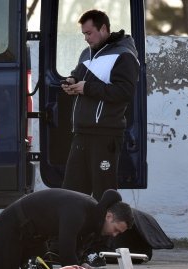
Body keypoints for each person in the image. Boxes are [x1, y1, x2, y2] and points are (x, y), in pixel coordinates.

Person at [0, 188, 134, 269]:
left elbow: (77, 249)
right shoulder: (78, 211)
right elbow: (66, 253)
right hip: (11, 226)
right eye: (116, 230)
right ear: (109, 216)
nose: (114, 235)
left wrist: (83, 264)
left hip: (35, 236)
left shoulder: (94, 218)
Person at [61, 9, 139, 199]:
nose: (86, 38)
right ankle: (77, 229)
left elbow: (124, 92)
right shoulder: (86, 54)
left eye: (89, 33)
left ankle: (104, 229)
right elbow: (78, 76)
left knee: (104, 193)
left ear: (103, 28)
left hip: (105, 134)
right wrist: (71, 83)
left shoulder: (124, 55)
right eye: (83, 34)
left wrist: (87, 88)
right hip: (81, 132)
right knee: (71, 193)